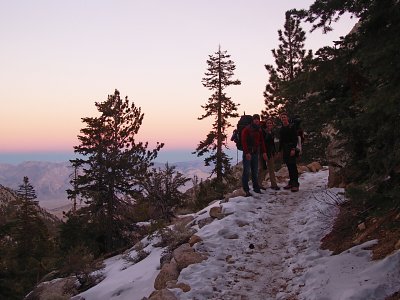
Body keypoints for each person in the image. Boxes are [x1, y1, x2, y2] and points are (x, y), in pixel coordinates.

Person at [241, 114, 268, 197]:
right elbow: (243, 141)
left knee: (255, 171)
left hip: (255, 153)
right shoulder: (247, 129)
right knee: (246, 171)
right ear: (252, 120)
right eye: (255, 119)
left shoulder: (259, 129)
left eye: (258, 119)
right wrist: (246, 153)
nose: (257, 120)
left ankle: (256, 188)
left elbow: (262, 141)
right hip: (248, 153)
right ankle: (246, 190)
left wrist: (264, 152)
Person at [278, 112, 299, 192]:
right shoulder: (282, 128)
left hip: (291, 148)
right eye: (282, 117)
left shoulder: (292, 127)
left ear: (287, 118)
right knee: (289, 166)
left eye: (284, 117)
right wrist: (279, 151)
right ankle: (291, 182)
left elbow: (295, 138)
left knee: (293, 166)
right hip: (285, 148)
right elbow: (281, 140)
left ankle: (295, 184)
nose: (283, 118)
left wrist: (293, 149)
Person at [260, 118, 280, 190]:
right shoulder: (263, 132)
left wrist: (274, 151)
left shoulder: (272, 132)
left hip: (270, 152)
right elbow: (263, 142)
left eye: (270, 123)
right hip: (263, 152)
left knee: (271, 168)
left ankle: (274, 184)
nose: (269, 124)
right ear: (266, 124)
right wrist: (263, 152)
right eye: (268, 123)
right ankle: (259, 184)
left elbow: (272, 143)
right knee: (262, 169)